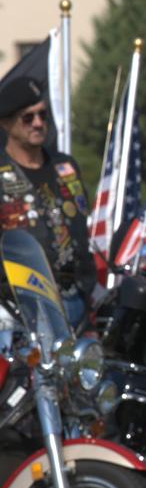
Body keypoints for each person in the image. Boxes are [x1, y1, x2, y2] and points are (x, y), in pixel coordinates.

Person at [0, 77, 95, 330]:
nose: (38, 123)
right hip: (20, 306)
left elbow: (81, 228)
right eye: (28, 118)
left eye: (43, 115)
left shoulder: (65, 166)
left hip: (75, 297)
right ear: (6, 123)